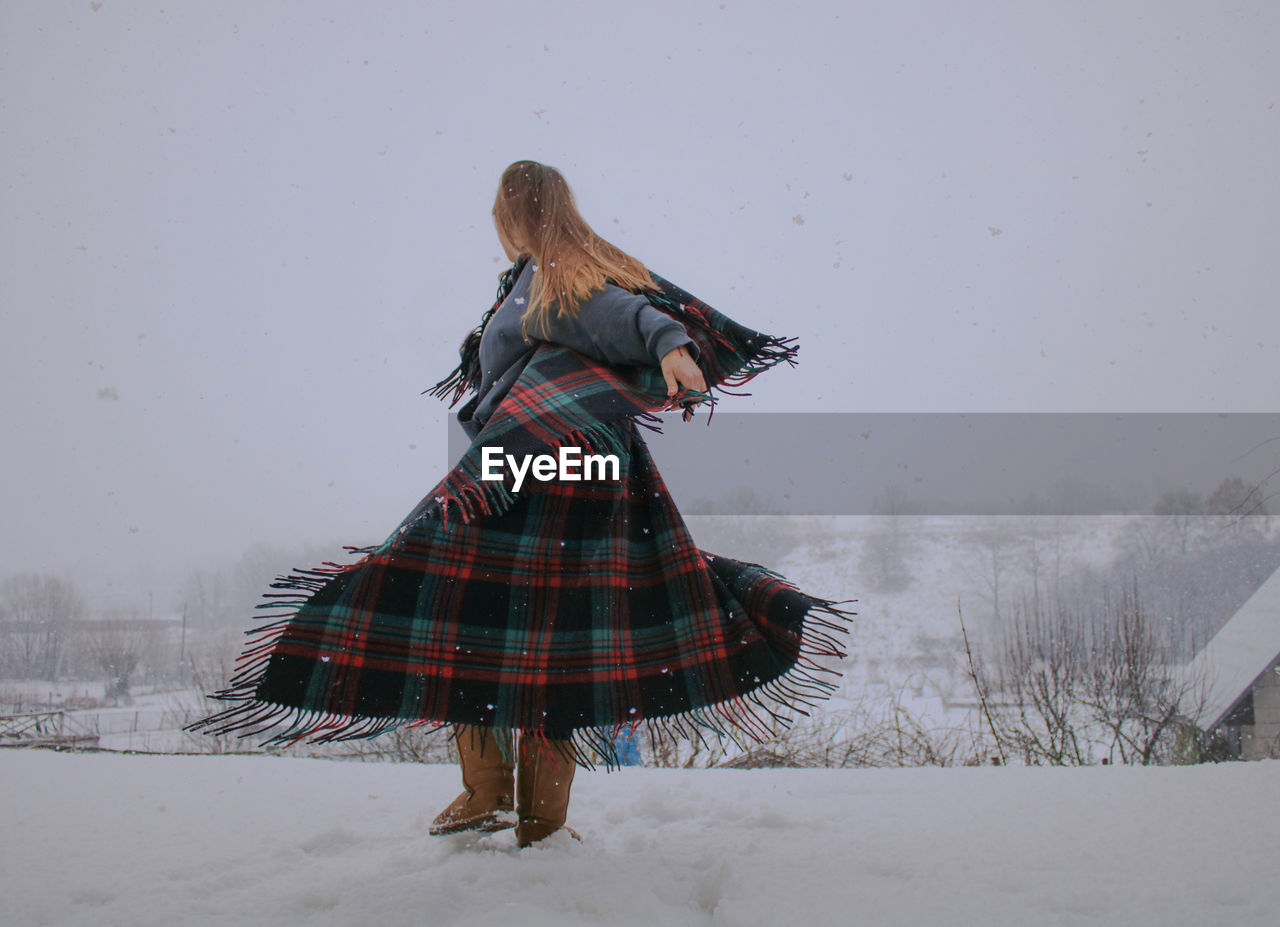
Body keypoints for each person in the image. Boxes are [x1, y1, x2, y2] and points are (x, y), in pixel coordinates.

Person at [185, 160, 853, 849]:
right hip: (550, 462)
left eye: (498, 213)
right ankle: (506, 802)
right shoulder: (547, 271)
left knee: (493, 616)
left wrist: (670, 345)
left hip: (548, 466)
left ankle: (512, 805)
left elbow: (617, 315)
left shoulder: (556, 273)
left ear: (515, 211)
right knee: (524, 629)